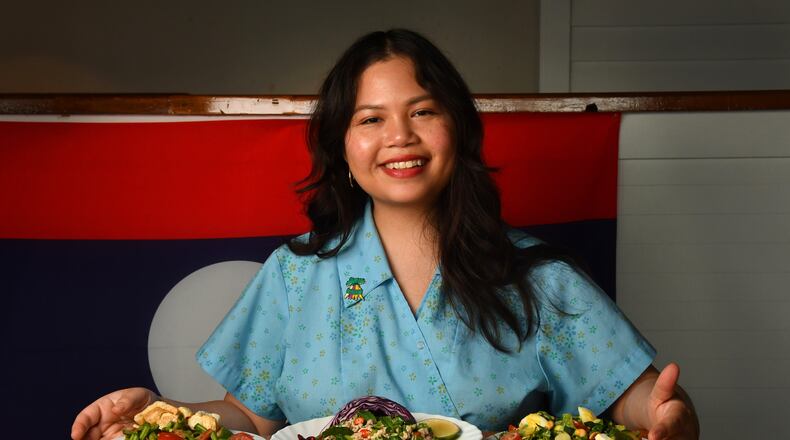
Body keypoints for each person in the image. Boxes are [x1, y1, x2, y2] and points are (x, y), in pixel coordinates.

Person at [71, 29, 699, 440]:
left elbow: (627, 396)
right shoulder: (294, 274)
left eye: (423, 111)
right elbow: (250, 417)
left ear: (459, 130)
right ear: (343, 149)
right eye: (371, 119)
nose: (400, 136)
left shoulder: (535, 276)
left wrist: (667, 415)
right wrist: (160, 417)